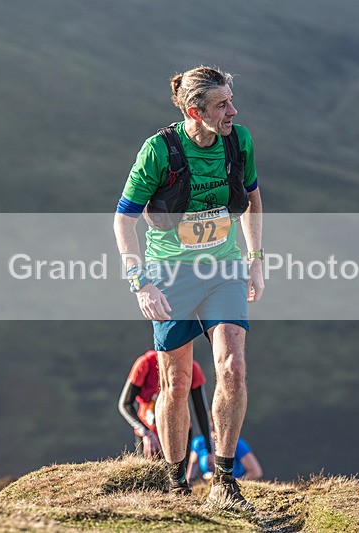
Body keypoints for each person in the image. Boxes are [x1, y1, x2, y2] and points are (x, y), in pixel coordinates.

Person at [114, 65, 264, 512]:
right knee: (176, 384)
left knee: (233, 367)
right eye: (222, 105)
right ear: (196, 111)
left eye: (231, 101)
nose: (233, 111)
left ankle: (224, 479)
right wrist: (140, 282)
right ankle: (176, 482)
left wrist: (255, 261)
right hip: (169, 277)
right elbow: (123, 219)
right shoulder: (159, 151)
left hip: (224, 269)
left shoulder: (240, 141)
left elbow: (253, 200)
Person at [117, 350, 212, 461]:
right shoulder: (145, 363)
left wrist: (209, 450)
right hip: (149, 436)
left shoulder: (191, 367)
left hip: (179, 434)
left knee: (178, 476)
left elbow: (200, 409)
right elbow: (125, 404)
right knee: (149, 476)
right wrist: (146, 432)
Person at [187, 432, 263, 483]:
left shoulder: (238, 444)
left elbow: (255, 472)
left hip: (235, 485)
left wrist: (234, 483)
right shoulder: (199, 442)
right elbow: (193, 465)